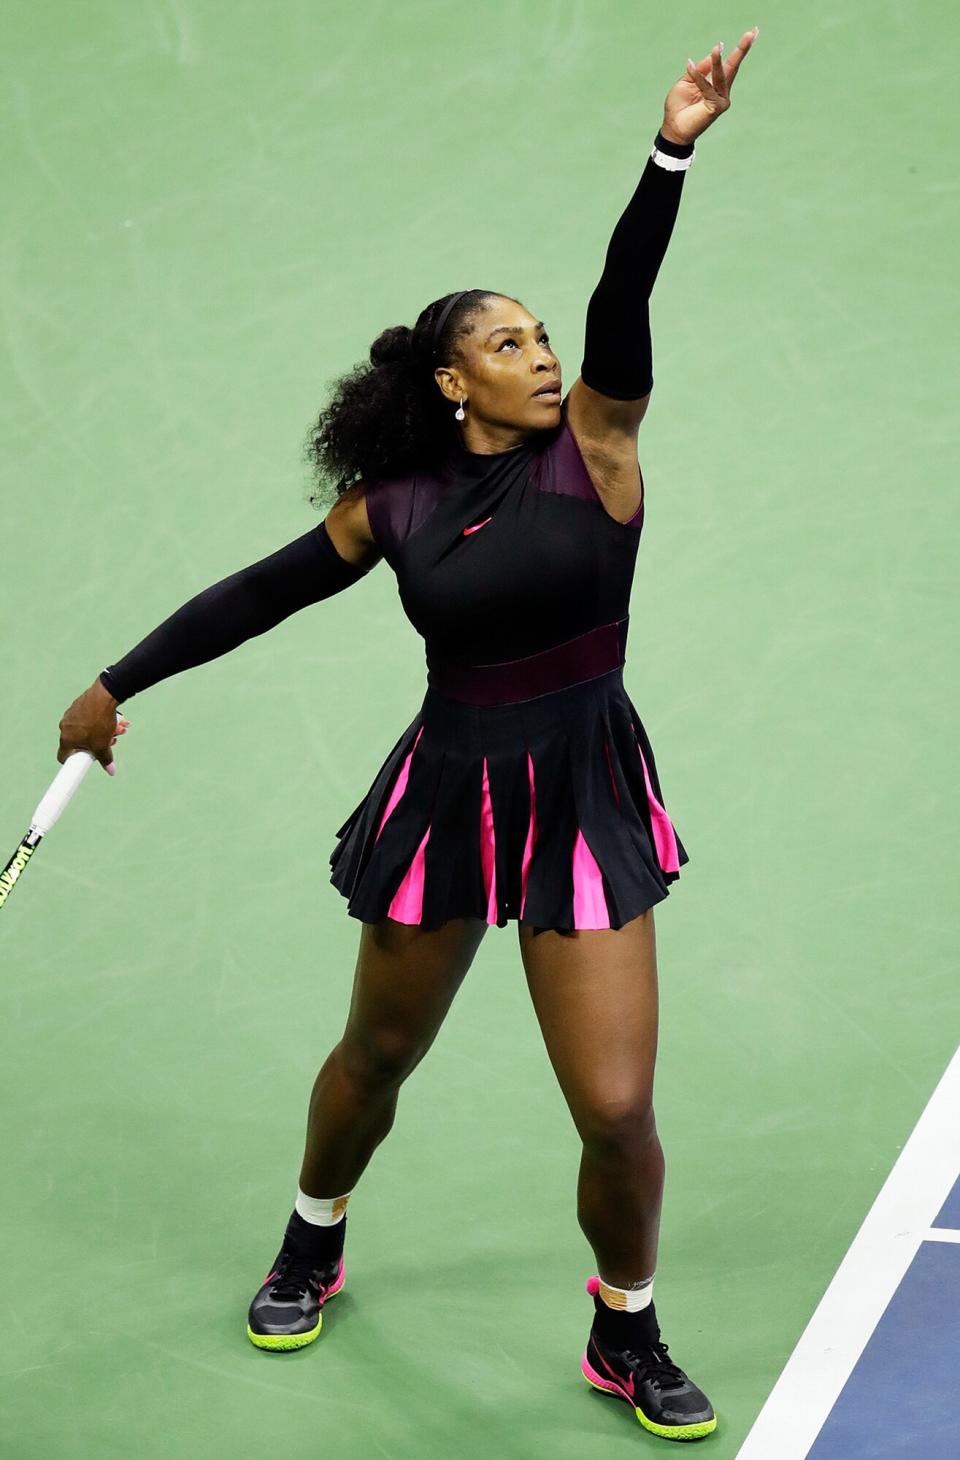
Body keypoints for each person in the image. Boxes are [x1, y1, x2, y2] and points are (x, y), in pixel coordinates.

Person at [57, 32, 759, 1443]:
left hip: (579, 792)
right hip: (447, 795)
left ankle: (627, 1325)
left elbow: (627, 298)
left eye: (542, 336)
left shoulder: (602, 449)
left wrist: (671, 146)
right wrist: (113, 683)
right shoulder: (395, 507)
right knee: (376, 1057)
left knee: (618, 1109)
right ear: (453, 383)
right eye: (509, 344)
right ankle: (314, 1233)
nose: (544, 355)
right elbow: (260, 591)